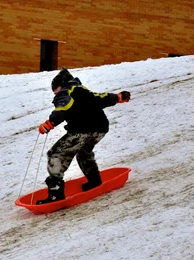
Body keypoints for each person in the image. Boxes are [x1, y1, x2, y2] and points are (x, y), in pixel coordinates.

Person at [36, 67, 130, 204]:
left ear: (59, 86)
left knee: (55, 154)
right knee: (83, 153)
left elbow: (63, 107)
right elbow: (99, 98)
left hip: (81, 130)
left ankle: (55, 193)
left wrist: (51, 122)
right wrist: (117, 97)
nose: (54, 94)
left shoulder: (64, 92)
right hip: (100, 129)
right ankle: (94, 181)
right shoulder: (82, 90)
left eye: (54, 90)